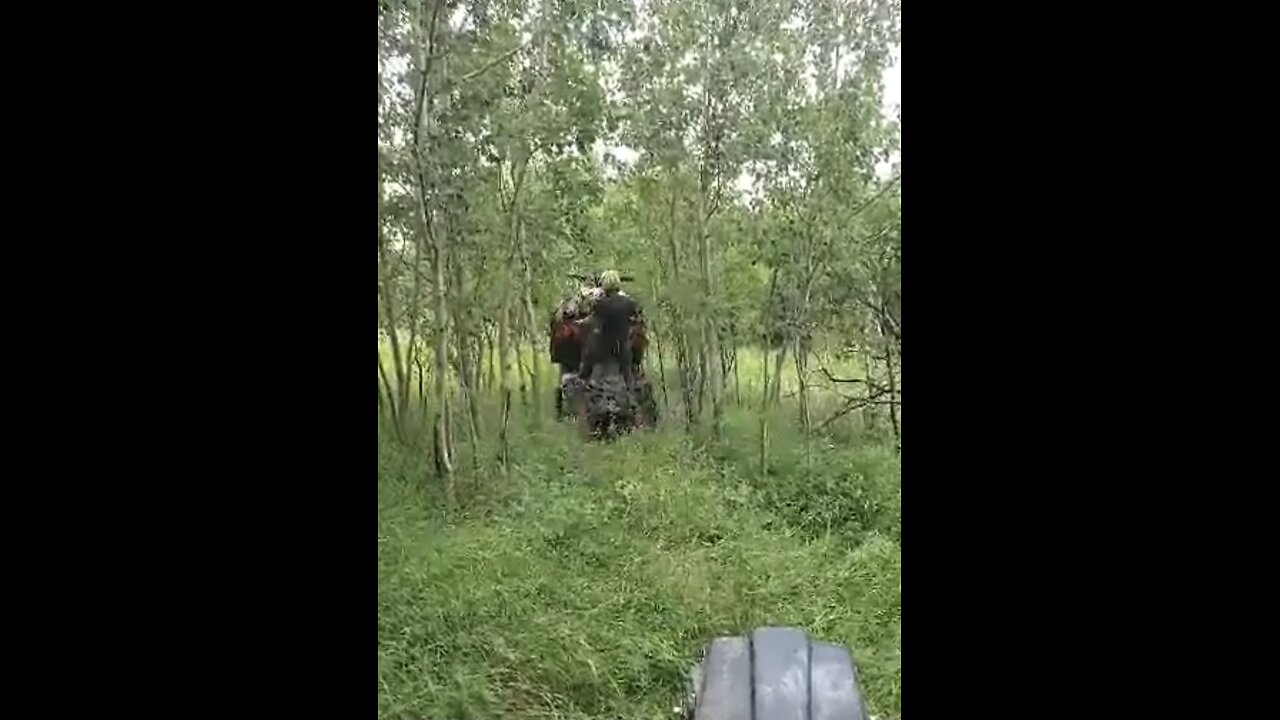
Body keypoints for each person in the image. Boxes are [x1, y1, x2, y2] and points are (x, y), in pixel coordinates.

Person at [578, 270, 639, 386]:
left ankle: (583, 376)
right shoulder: (629, 303)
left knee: (590, 345)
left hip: (604, 348)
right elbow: (634, 320)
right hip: (622, 348)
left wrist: (582, 323)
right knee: (628, 374)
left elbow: (596, 326)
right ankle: (629, 384)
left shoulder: (601, 304)